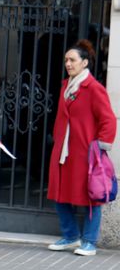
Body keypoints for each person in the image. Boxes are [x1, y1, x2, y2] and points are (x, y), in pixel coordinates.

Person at [46, 39, 116, 256]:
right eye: (66, 60)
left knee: (91, 197)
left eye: (73, 60)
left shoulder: (94, 88)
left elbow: (108, 119)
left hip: (86, 152)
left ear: (84, 63)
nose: (68, 64)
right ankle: (70, 236)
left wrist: (100, 145)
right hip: (64, 151)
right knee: (59, 194)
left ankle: (89, 242)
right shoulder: (66, 86)